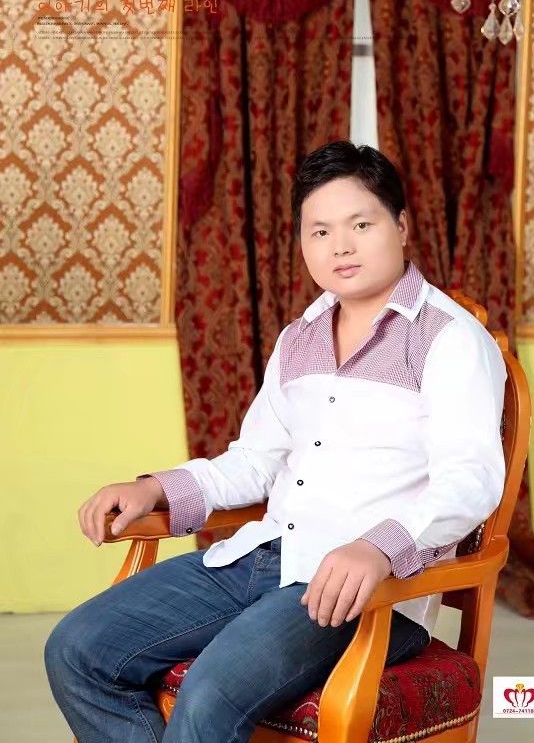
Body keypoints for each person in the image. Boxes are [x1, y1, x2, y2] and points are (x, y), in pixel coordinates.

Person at [44, 140, 507, 743]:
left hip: (363, 593)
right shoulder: (300, 339)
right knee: (77, 649)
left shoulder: (451, 339)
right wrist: (155, 488)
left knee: (210, 692)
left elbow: (471, 481)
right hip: (263, 555)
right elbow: (255, 461)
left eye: (361, 224)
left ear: (401, 226)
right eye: (320, 231)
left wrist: (378, 548)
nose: (341, 246)